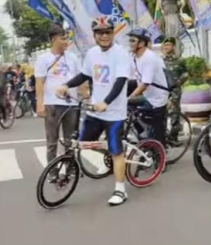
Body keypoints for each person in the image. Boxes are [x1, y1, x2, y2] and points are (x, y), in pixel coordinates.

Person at [57, 17, 131, 206]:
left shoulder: (121, 54)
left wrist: (106, 102)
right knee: (82, 142)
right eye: (100, 33)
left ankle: (120, 190)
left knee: (116, 151)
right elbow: (84, 75)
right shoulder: (92, 54)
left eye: (108, 32)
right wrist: (66, 85)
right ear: (95, 36)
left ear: (113, 33)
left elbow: (120, 81)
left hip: (114, 112)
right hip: (95, 110)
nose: (104, 36)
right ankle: (114, 150)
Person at [35, 24, 81, 179]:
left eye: (66, 38)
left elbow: (81, 79)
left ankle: (71, 168)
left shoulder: (74, 58)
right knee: (52, 141)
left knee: (70, 140)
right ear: (54, 40)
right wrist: (40, 103)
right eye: (63, 38)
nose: (66, 41)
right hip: (52, 104)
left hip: (72, 104)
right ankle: (52, 172)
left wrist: (85, 96)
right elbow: (40, 82)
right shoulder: (43, 59)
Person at [128, 28, 170, 146]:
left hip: (157, 97)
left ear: (141, 43)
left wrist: (131, 96)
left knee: (157, 131)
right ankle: (142, 133)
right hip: (147, 94)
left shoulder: (150, 57)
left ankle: (161, 156)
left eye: (133, 41)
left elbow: (146, 83)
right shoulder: (134, 57)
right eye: (129, 40)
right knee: (128, 108)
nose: (130, 43)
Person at [162, 37, 187, 142]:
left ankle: (174, 136)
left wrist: (179, 81)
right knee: (162, 112)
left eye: (168, 45)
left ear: (173, 46)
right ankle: (163, 135)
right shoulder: (161, 61)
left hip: (175, 90)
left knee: (174, 113)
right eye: (165, 45)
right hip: (163, 89)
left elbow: (186, 74)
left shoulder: (180, 61)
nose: (166, 47)